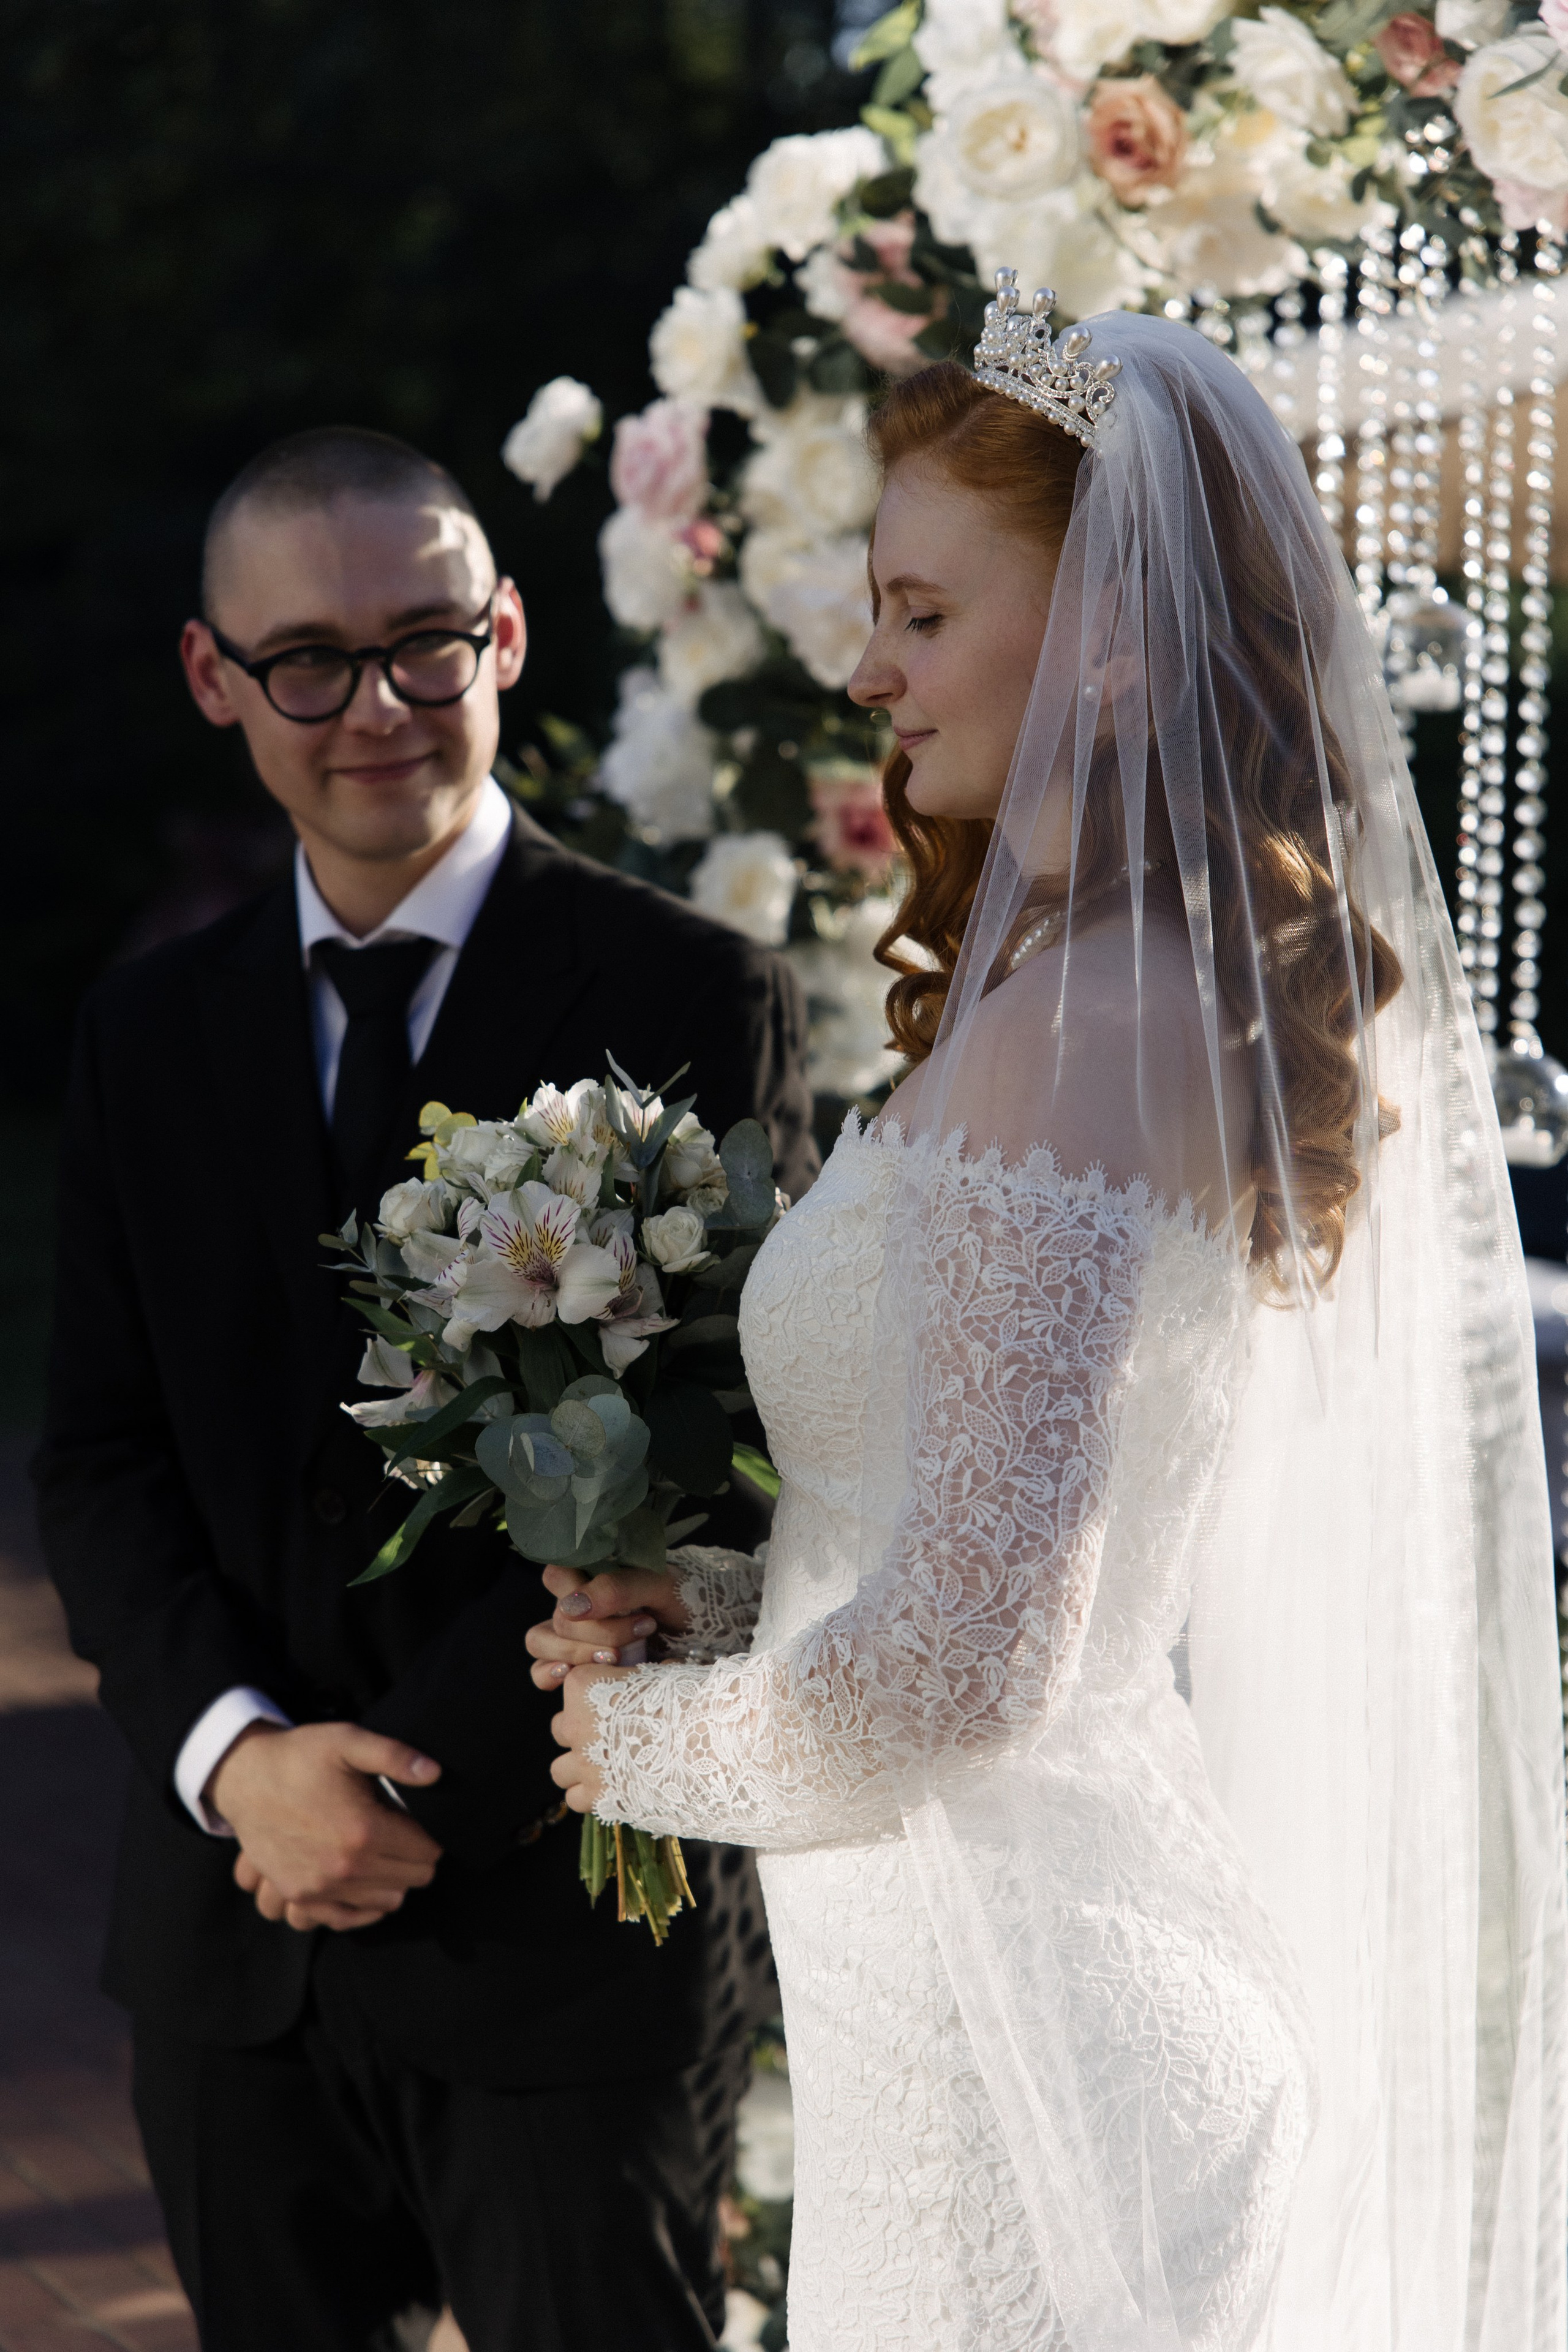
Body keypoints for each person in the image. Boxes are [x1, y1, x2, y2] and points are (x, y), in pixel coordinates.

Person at [533, 293, 1567, 2348]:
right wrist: (718, 1620)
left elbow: (971, 1665)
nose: (866, 671)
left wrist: (633, 1748)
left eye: (921, 611)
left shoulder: (1094, 1022)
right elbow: (955, 1532)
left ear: (1103, 624)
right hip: (967, 2023)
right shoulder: (1080, 987)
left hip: (1042, 2059)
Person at [33, 424, 816, 2352]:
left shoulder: (688, 994)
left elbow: (709, 1464)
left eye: (426, 643)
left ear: (511, 636)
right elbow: (104, 1456)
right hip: (237, 1937)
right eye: (310, 658)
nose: (375, 704)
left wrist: (398, 1798)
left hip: (560, 1935)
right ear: (218, 678)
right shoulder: (144, 1033)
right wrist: (242, 1766)